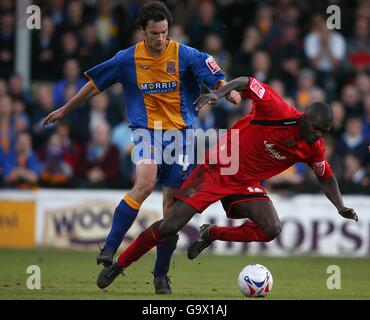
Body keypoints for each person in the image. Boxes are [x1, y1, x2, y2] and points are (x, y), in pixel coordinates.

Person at [42, 1, 240, 294]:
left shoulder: (185, 54)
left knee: (171, 210)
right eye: (154, 33)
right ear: (142, 31)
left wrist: (228, 90)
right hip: (146, 131)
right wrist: (66, 109)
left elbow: (214, 75)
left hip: (182, 137)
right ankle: (109, 248)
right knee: (145, 182)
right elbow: (95, 84)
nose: (160, 38)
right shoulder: (127, 59)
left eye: (164, 32)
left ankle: (160, 274)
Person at [96, 76, 359, 290]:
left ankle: (211, 233)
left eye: (323, 133)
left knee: (271, 228)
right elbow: (246, 82)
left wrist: (340, 206)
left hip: (245, 183)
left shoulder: (314, 147)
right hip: (218, 167)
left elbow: (326, 177)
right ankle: (119, 265)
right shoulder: (277, 109)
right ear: (304, 117)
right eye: (315, 129)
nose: (317, 136)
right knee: (170, 225)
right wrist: (217, 94)